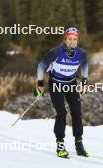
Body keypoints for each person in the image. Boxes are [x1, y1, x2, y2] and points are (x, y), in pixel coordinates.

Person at [35, 27, 89, 158]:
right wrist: (40, 83)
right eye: (69, 39)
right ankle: (60, 144)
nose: (72, 42)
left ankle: (79, 143)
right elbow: (41, 66)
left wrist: (84, 82)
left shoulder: (81, 53)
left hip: (71, 83)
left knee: (76, 112)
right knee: (62, 113)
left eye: (75, 39)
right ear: (65, 39)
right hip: (56, 84)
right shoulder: (56, 52)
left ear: (77, 41)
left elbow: (85, 66)